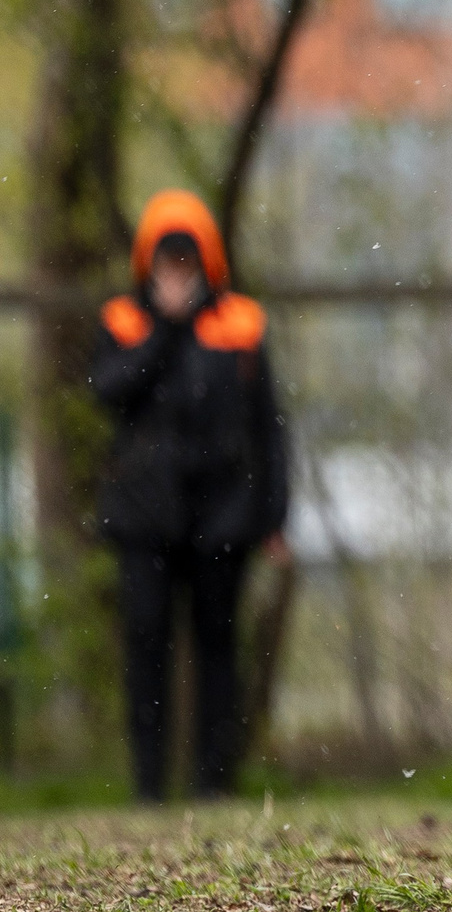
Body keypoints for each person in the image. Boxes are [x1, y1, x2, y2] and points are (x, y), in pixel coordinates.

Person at [88, 190, 291, 801]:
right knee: (146, 644)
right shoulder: (121, 322)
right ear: (147, 262)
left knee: (218, 648)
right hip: (144, 515)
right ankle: (149, 788)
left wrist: (274, 516)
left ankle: (214, 784)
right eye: (166, 260)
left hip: (223, 515)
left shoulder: (243, 325)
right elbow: (108, 392)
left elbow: (270, 429)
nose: (177, 273)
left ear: (209, 261)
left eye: (188, 260)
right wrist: (167, 332)